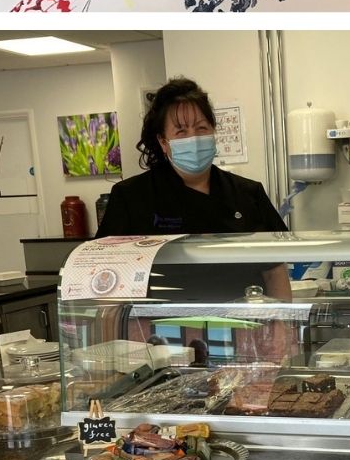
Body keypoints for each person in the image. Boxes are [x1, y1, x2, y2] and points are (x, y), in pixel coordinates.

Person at [95, 77, 292, 301]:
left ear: (213, 132)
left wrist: (281, 325)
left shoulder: (247, 193)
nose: (194, 139)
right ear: (163, 141)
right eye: (181, 132)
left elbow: (275, 270)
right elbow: (106, 273)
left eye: (201, 128)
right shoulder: (132, 197)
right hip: (158, 330)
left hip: (244, 326)